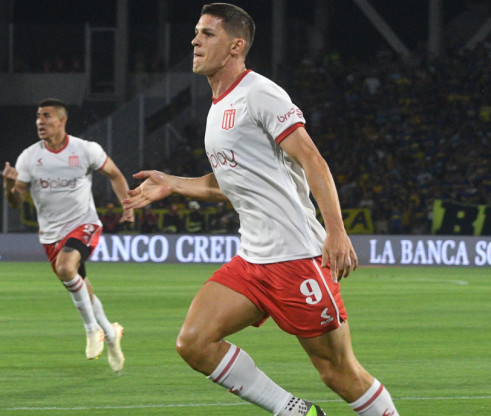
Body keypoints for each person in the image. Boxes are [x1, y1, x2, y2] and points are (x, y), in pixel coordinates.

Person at [123, 4, 399, 416]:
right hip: (252, 260)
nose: (195, 41)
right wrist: (172, 183)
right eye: (196, 33)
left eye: (207, 34)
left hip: (295, 258)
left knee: (338, 372)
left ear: (236, 46)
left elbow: (313, 160)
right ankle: (295, 412)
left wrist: (336, 231)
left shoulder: (260, 93)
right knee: (194, 342)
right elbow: (229, 185)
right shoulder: (218, 107)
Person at [2, 98, 134, 372]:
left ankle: (90, 330)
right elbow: (16, 201)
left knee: (66, 267)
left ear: (62, 121)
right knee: (80, 285)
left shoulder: (85, 150)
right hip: (51, 235)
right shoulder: (29, 157)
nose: (40, 121)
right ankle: (110, 333)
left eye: (46, 116)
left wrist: (127, 205)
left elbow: (115, 175)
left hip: (83, 224)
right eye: (38, 116)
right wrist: (7, 186)